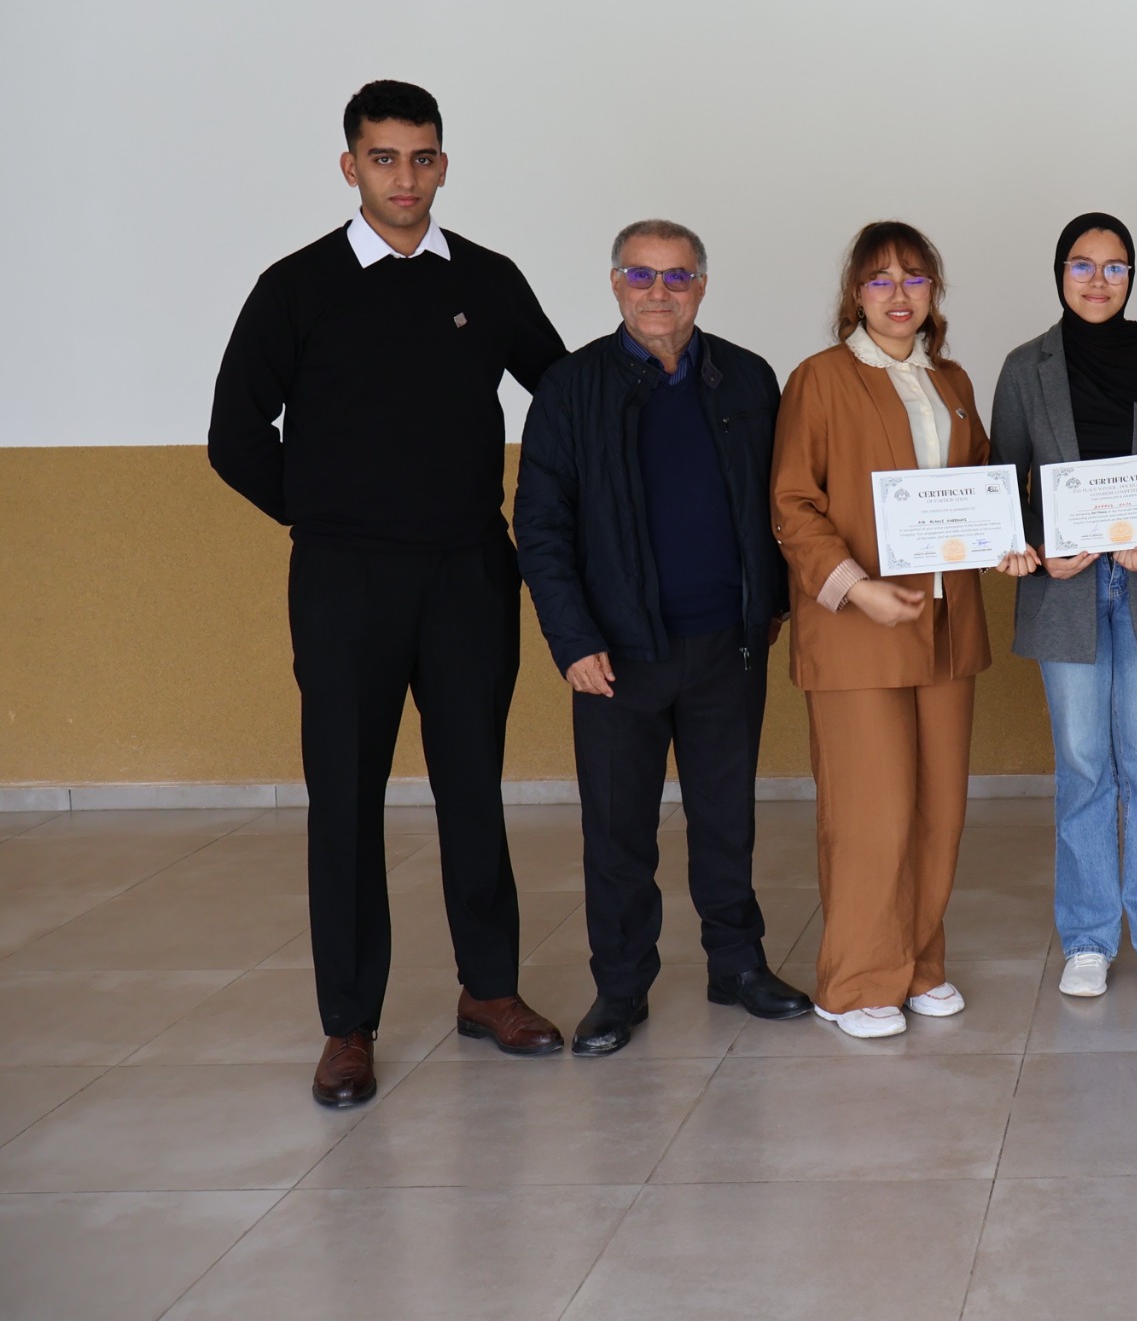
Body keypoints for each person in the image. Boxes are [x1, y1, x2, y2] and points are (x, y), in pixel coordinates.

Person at [209, 80, 569, 1107]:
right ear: (350, 166)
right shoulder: (297, 286)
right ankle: (349, 1024)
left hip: (467, 573)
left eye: (421, 157)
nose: (403, 177)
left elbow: (569, 392)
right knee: (346, 798)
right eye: (383, 158)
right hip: (343, 581)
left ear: (443, 164)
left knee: (473, 787)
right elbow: (235, 437)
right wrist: (323, 515)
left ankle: (489, 990)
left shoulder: (488, 280)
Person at [514, 218, 815, 1057]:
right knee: (618, 829)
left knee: (727, 817)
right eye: (641, 277)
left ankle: (737, 964)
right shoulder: (571, 388)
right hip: (616, 654)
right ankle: (619, 987)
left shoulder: (747, 378)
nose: (659, 293)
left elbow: (787, 502)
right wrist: (572, 640)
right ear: (615, 285)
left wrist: (775, 602)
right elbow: (539, 526)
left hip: (728, 643)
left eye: (676, 278)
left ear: (702, 287)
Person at [771, 222, 1037, 1039]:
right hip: (859, 631)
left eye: (914, 279)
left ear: (934, 294)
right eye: (880, 280)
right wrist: (857, 591)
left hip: (946, 629)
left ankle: (918, 962)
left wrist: (1011, 541)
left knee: (938, 812)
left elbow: (984, 484)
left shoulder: (951, 380)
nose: (898, 294)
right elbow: (793, 506)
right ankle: (855, 983)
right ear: (855, 293)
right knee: (871, 814)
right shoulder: (819, 380)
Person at [991, 213, 1137, 999]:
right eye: (1082, 265)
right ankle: (1087, 936)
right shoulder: (1026, 368)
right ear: (1059, 273)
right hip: (1065, 589)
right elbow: (1004, 483)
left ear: (1133, 276)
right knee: (1084, 764)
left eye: (1114, 267)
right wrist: (1037, 545)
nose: (1097, 281)